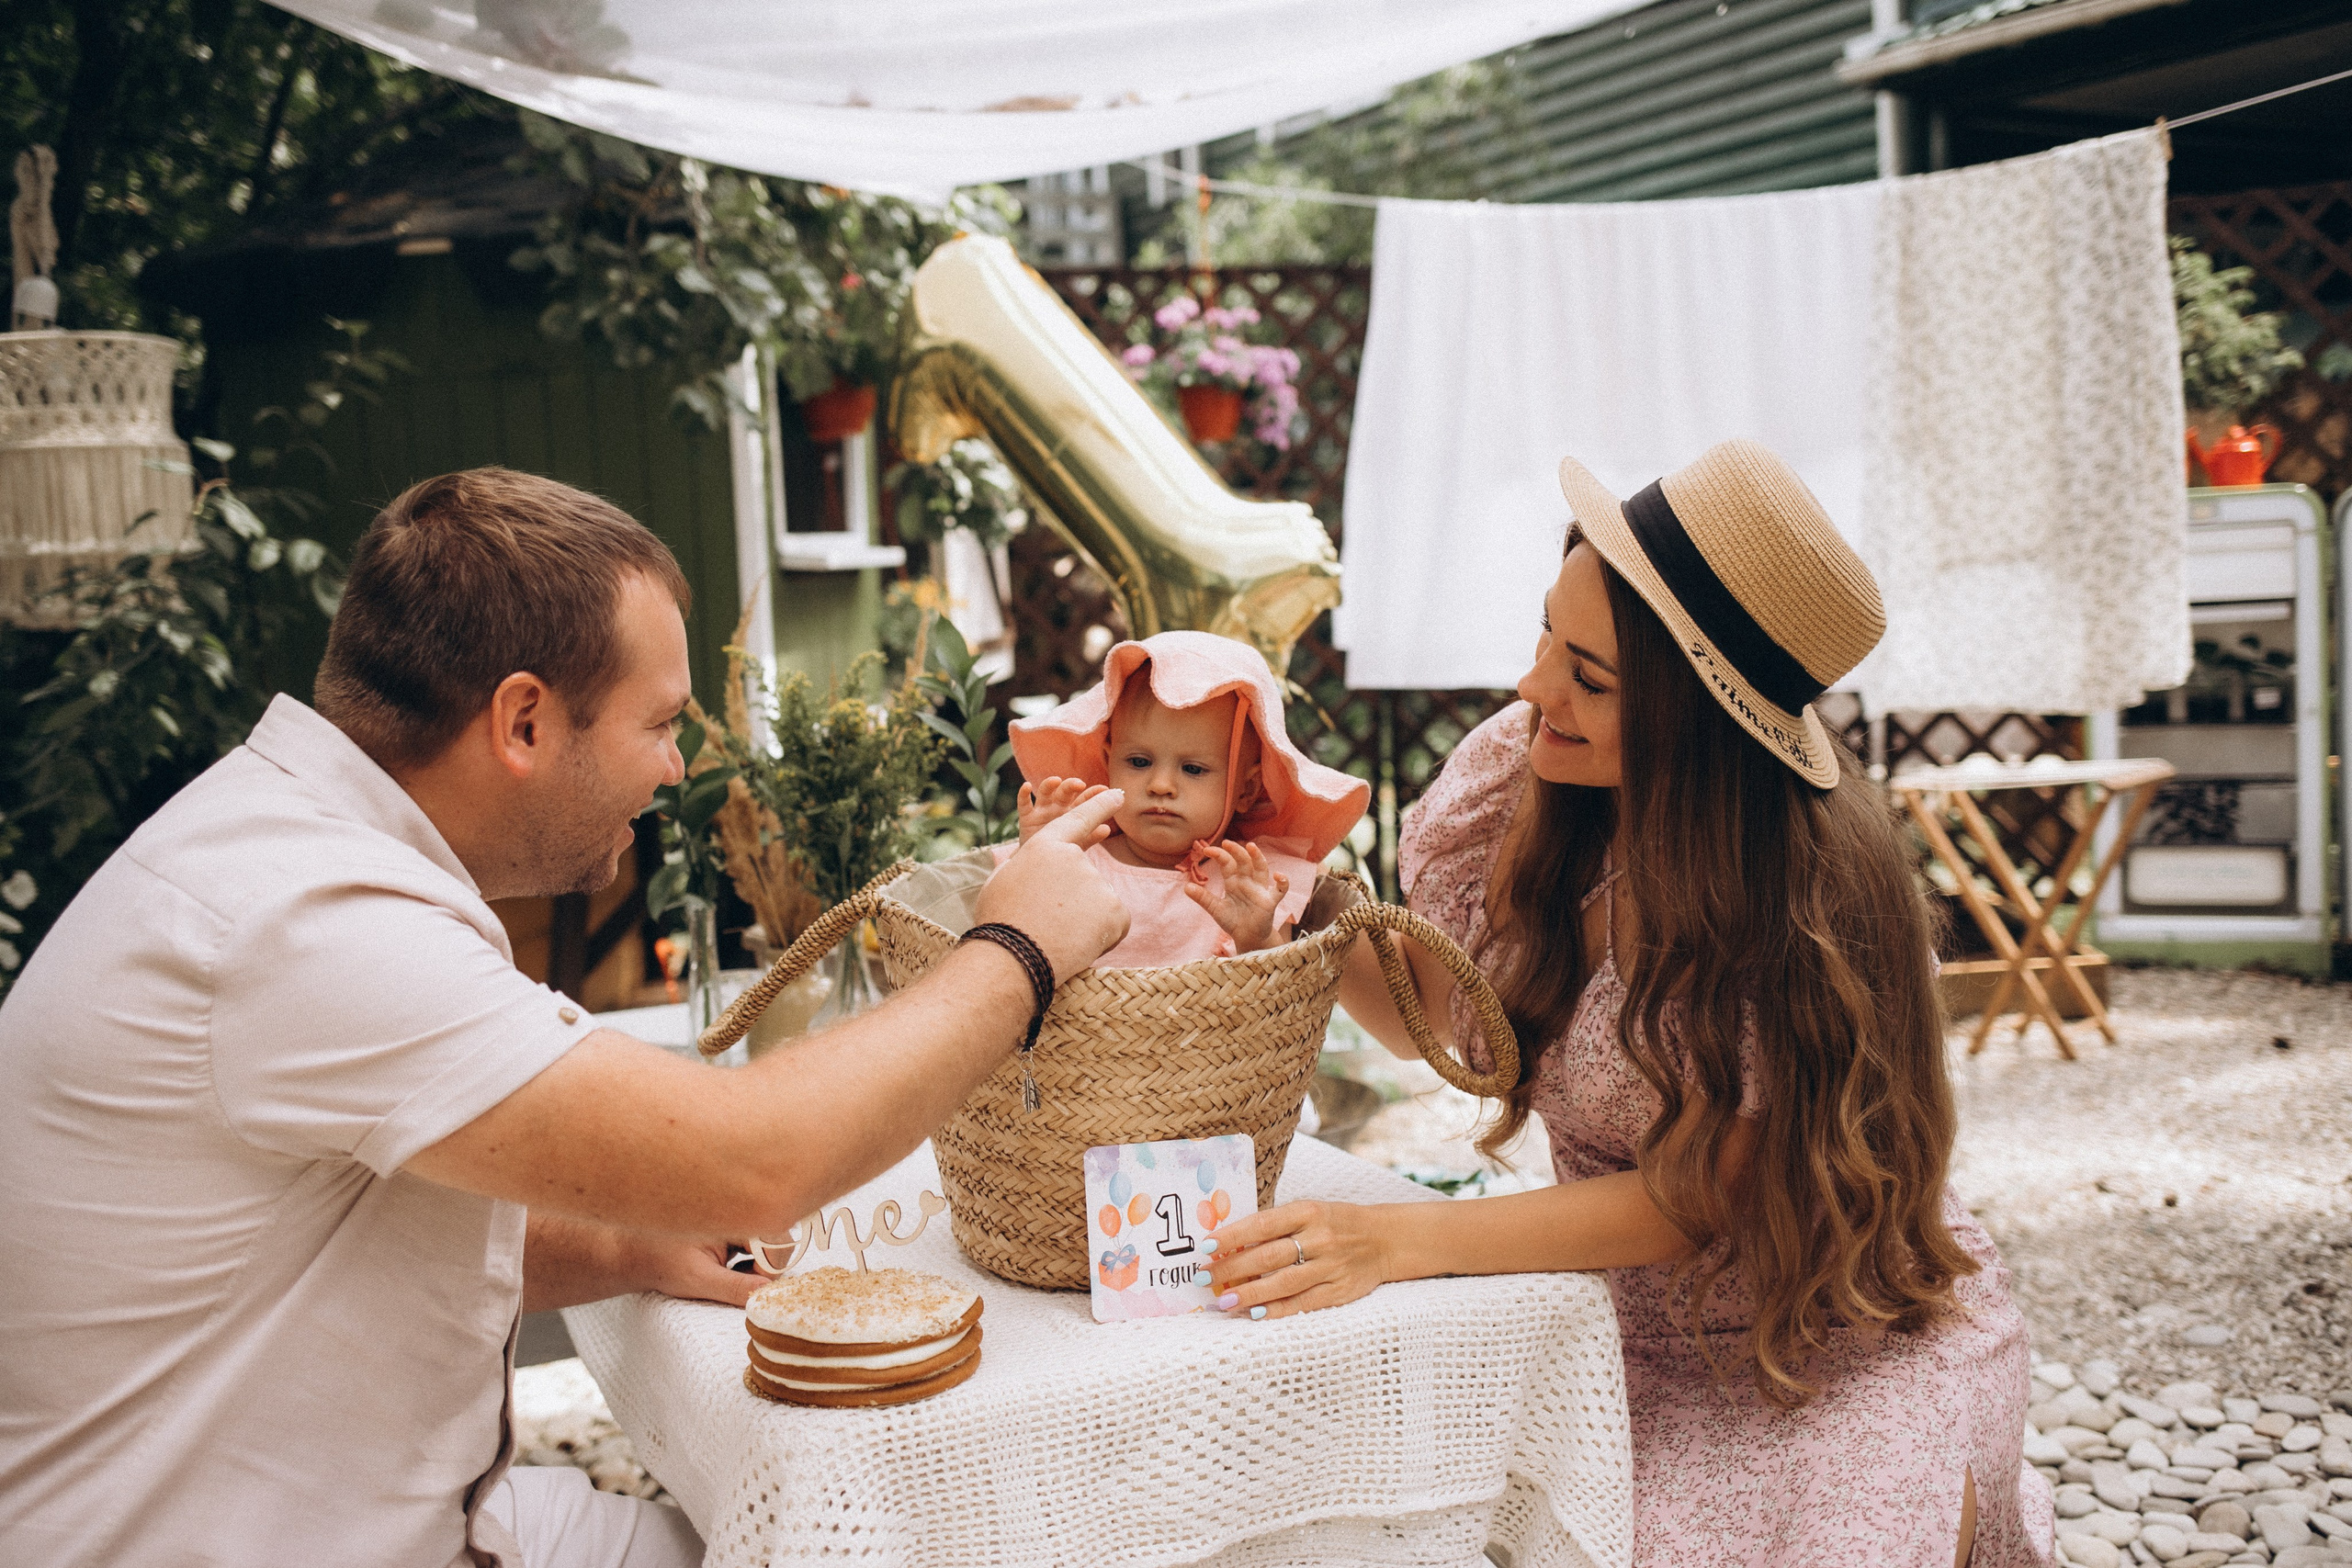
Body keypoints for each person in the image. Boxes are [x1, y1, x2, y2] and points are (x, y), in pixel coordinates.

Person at [0, 468, 1128, 1568]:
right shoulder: (304, 925)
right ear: (525, 721)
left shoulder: (289, 848)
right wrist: (1017, 948)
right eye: (660, 724)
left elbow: (340, 1234)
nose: (677, 766)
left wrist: (627, 1240)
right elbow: (757, 1161)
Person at [1206, 440, 2054, 1566]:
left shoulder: (1803, 900)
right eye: (1547, 637)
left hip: (1836, 1336)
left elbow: (1697, 1193)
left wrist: (1400, 1239)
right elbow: (1443, 1012)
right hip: (1611, 1331)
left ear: (1700, 714)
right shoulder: (1531, 778)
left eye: (1589, 677)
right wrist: (1300, 915)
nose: (1531, 688)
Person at [1000, 630, 1368, 967]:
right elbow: (1004, 941)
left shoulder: (1250, 880)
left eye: (1193, 769)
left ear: (1246, 790)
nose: (1161, 785)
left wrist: (1255, 936)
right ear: (1109, 763)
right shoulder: (1076, 860)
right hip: (1082, 1040)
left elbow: (1279, 997)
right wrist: (1036, 857)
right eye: (1139, 762)